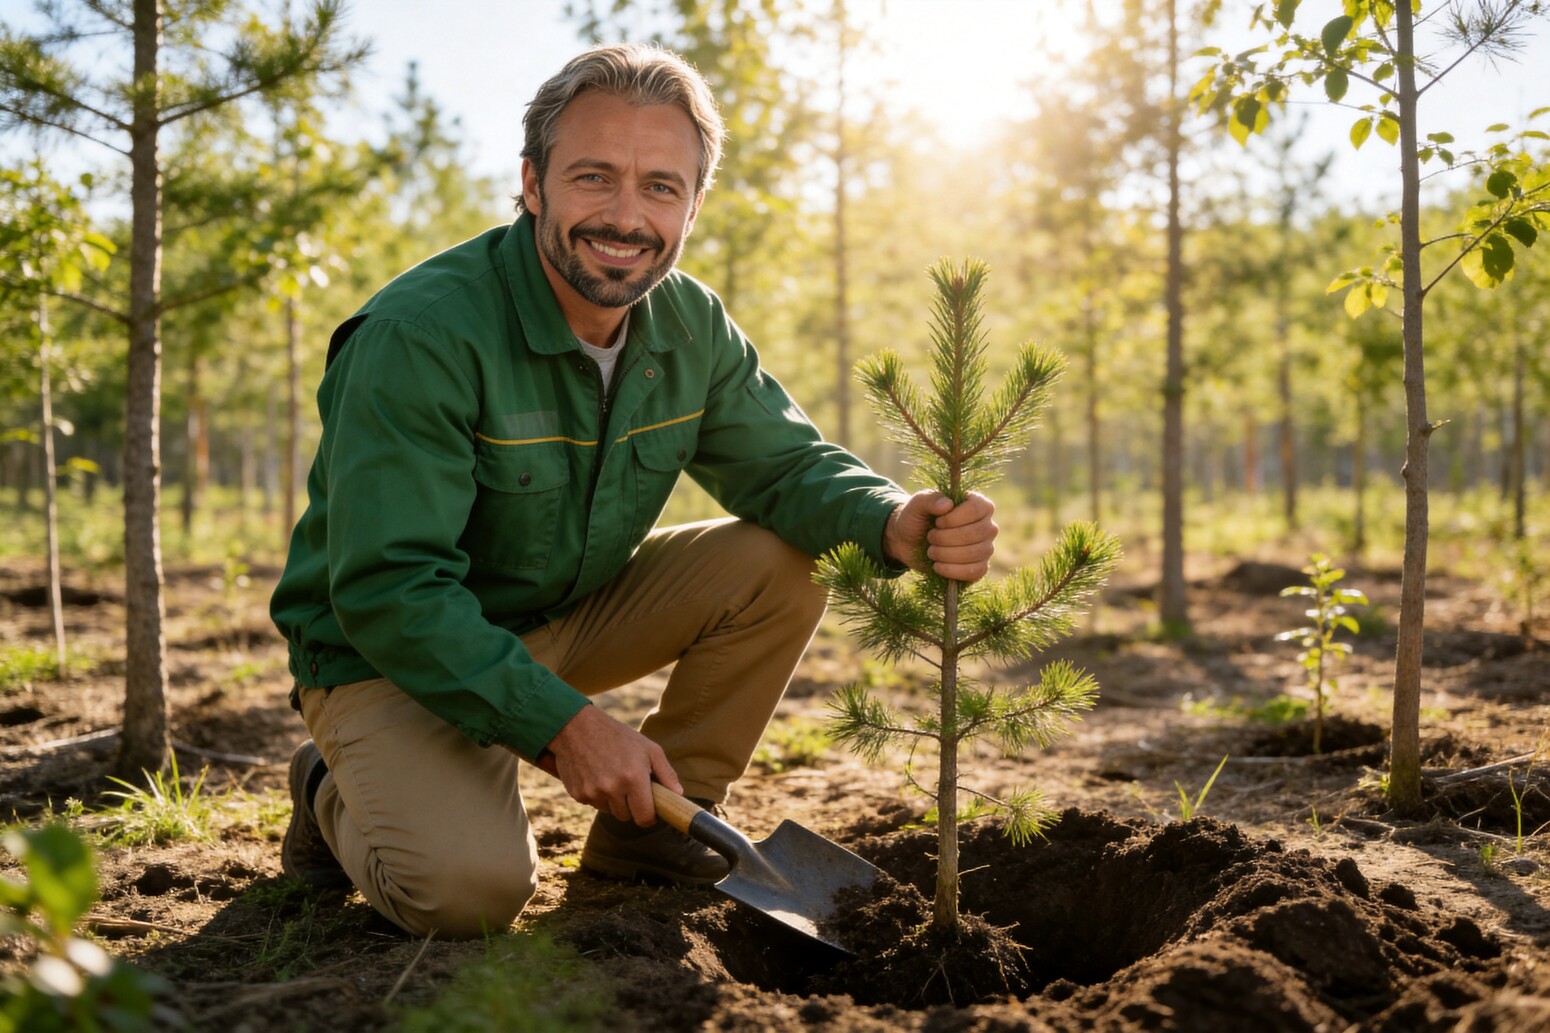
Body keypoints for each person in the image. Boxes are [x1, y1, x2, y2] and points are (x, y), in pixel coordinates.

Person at [270, 42, 998, 939]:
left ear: (694, 204)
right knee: (468, 893)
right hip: (390, 656)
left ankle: (648, 839)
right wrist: (569, 727)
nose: (625, 215)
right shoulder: (421, 336)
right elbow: (390, 590)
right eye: (593, 177)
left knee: (780, 554)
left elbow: (782, 468)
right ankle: (327, 785)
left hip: (556, 614)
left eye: (660, 186)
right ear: (532, 183)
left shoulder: (689, 323)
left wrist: (892, 519)